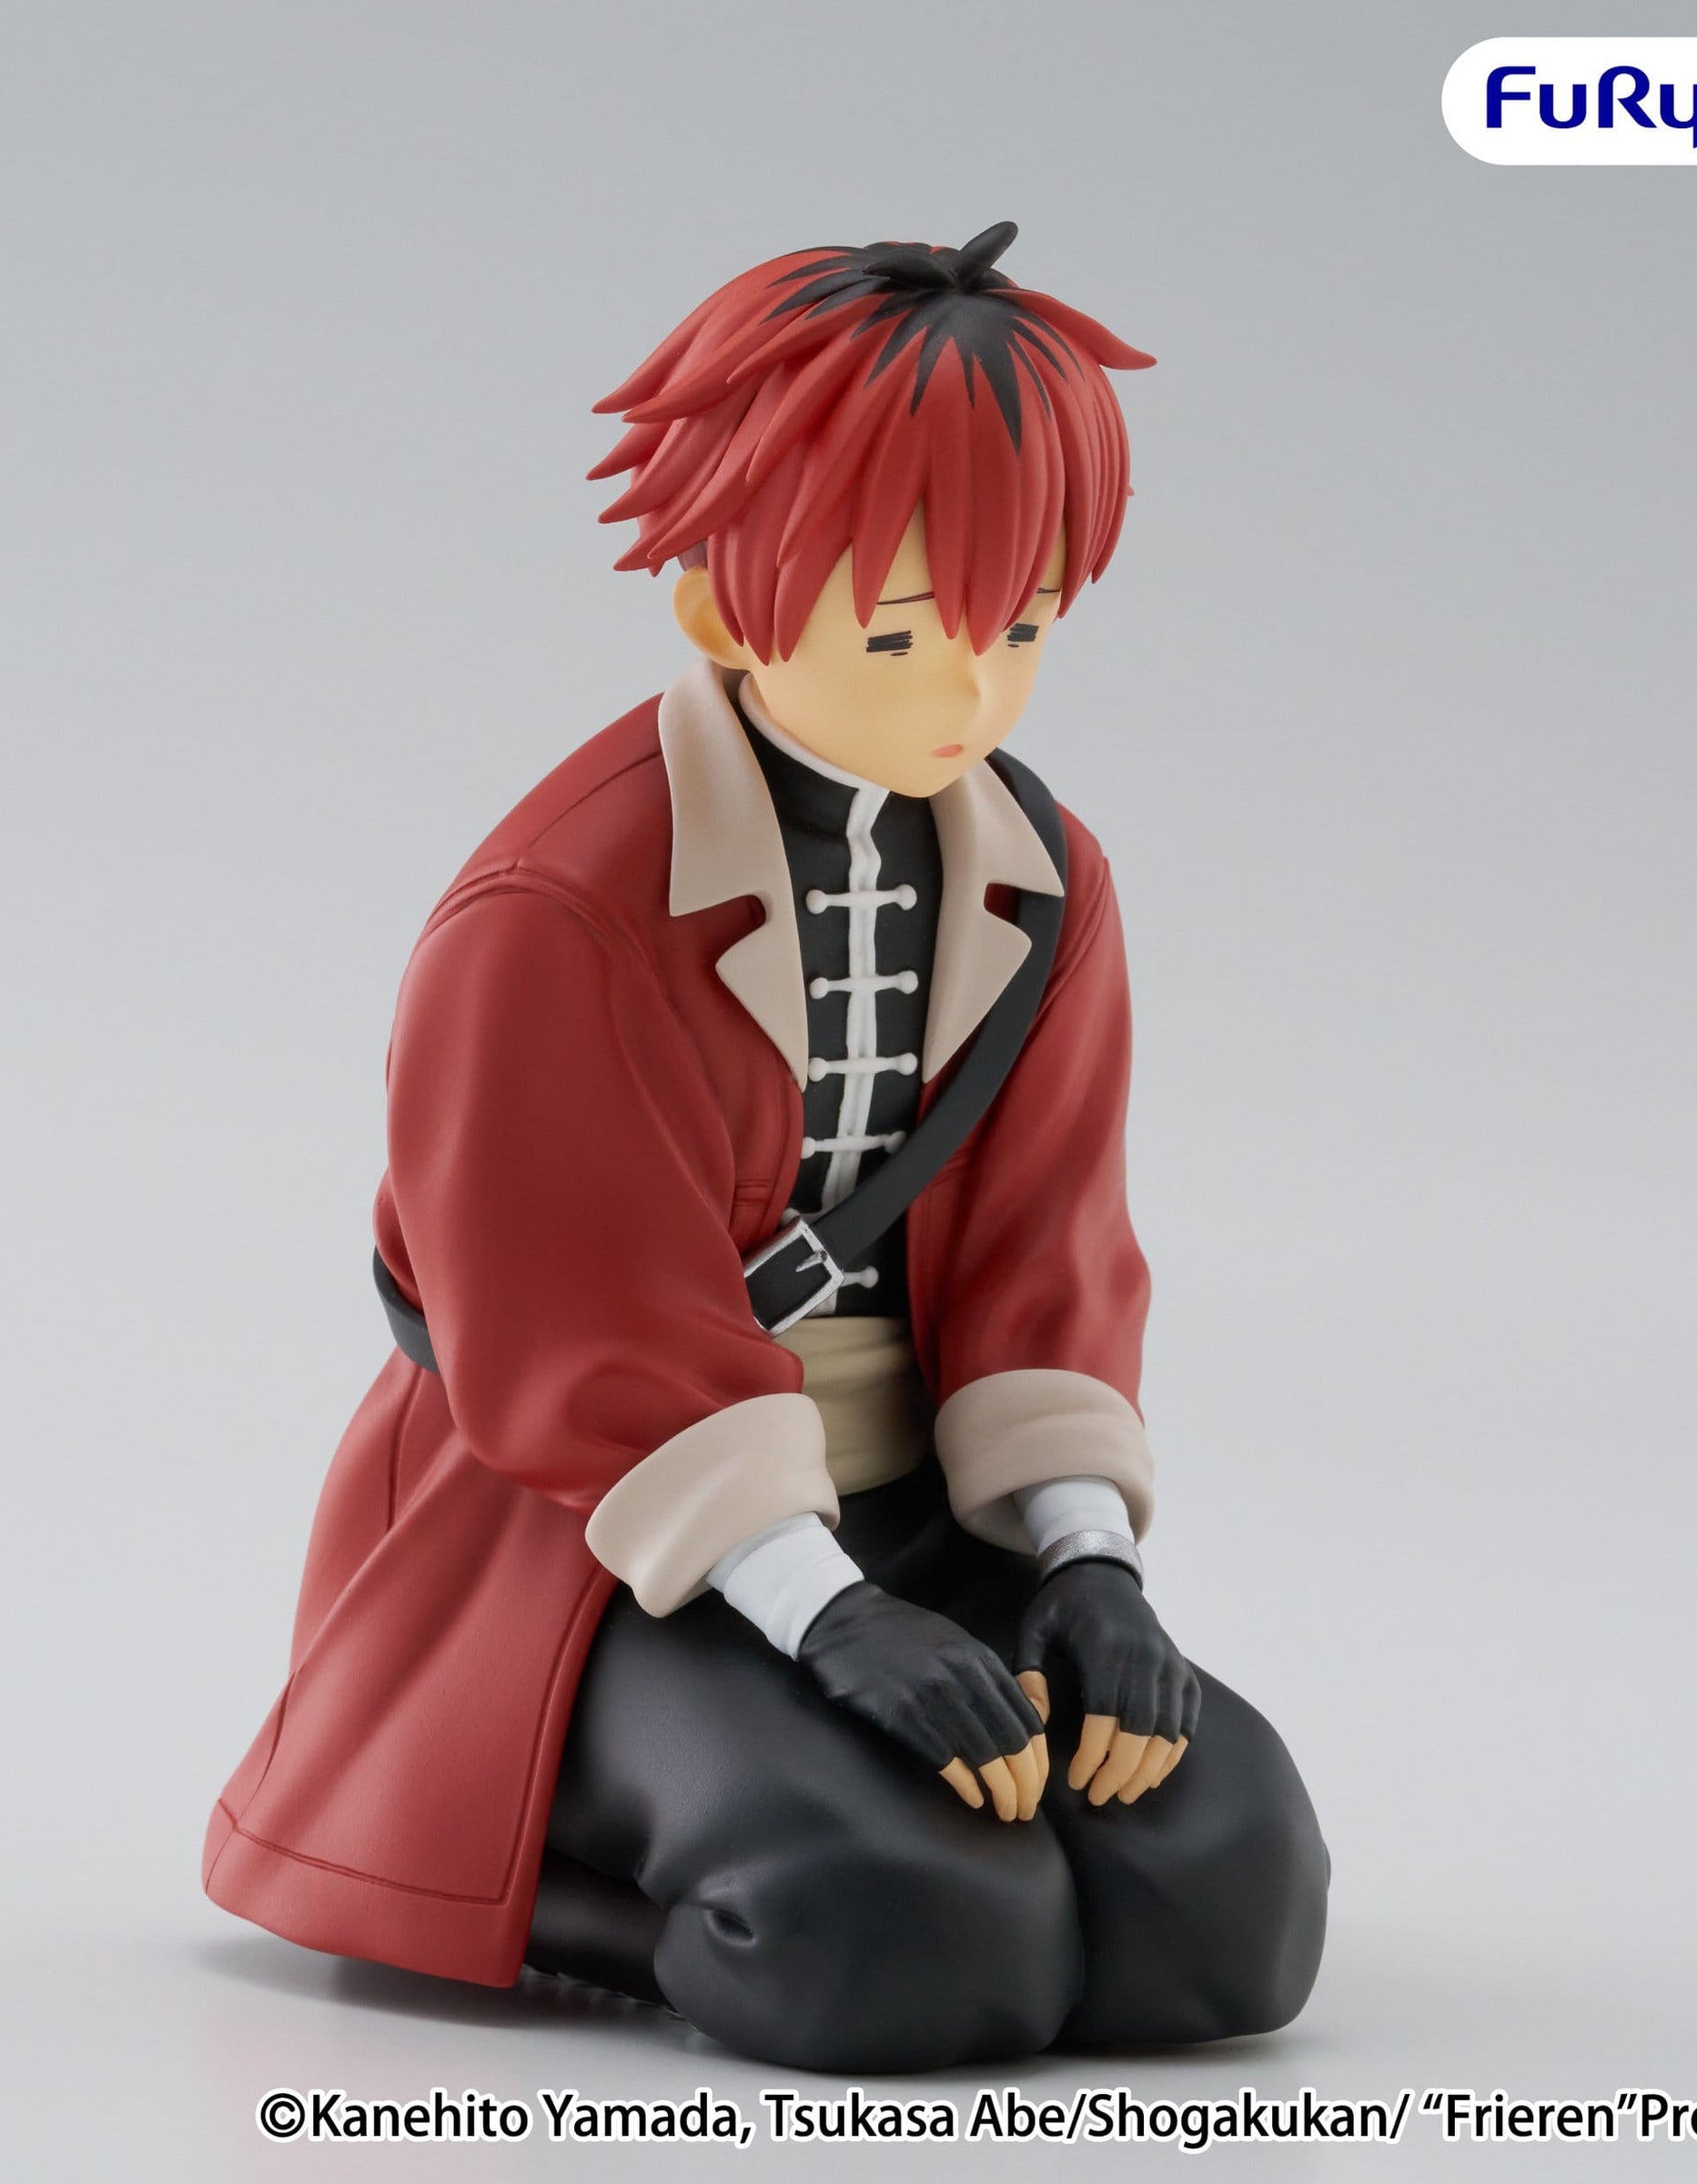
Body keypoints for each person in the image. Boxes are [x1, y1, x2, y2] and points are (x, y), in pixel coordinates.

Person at [204, 225, 1328, 2071]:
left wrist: (1083, 1564)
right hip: (611, 1532)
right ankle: (543, 1875)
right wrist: (827, 1618)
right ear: (726, 610)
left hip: (923, 1505)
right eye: (899, 632)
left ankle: (892, 1803)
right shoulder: (558, 913)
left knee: (1225, 1900)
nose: (968, 694)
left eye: (1020, 626)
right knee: (906, 1942)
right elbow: (580, 1340)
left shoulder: (1042, 883)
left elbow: (1047, 1252)